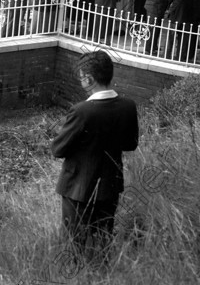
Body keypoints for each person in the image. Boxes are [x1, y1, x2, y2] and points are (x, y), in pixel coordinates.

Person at [51, 50, 139, 265]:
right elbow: (130, 144)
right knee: (103, 238)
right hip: (110, 186)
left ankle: (78, 274)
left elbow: (58, 149)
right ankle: (102, 272)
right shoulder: (128, 106)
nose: (81, 79)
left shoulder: (81, 111)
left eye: (82, 76)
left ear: (89, 79)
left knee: (76, 243)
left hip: (77, 189)